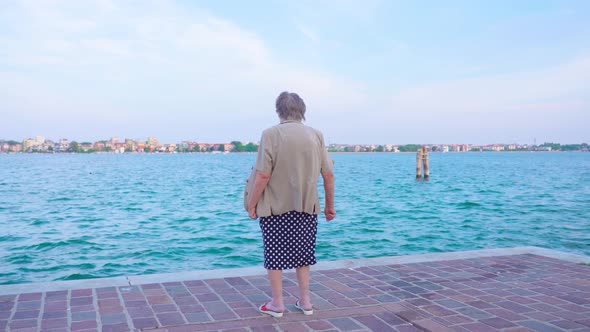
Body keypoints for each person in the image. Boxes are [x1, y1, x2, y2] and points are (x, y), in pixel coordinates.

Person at [247, 91, 336, 318]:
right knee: (303, 254)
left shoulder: (270, 134)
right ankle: (306, 302)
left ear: (279, 110)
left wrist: (252, 204)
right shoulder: (316, 135)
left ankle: (278, 304)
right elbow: (328, 175)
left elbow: (263, 175)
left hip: (275, 207)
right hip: (307, 206)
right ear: (302, 111)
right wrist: (329, 206)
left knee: (275, 256)